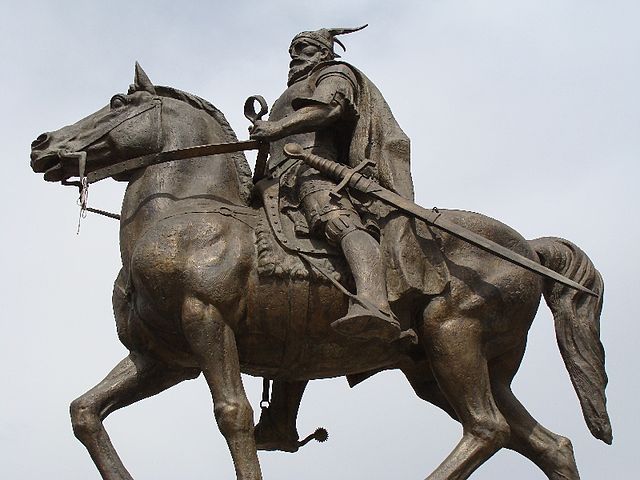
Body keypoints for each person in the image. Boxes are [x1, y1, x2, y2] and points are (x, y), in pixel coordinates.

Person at [250, 26, 449, 452]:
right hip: (278, 184)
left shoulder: (333, 74)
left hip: (316, 175)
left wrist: (277, 127)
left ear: (321, 50)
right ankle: (281, 418)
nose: (294, 56)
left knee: (335, 222)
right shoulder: (295, 88)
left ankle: (375, 301)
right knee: (285, 284)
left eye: (301, 48)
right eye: (291, 50)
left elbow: (332, 111)